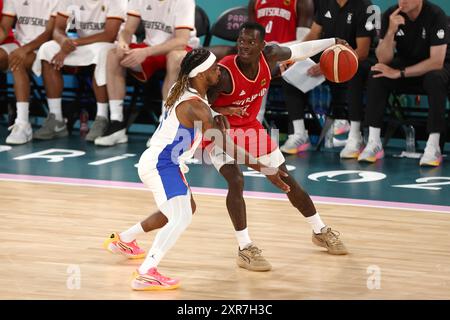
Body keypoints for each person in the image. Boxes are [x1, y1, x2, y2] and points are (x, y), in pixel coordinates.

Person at [104, 23, 348, 275]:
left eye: (250, 42)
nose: (243, 46)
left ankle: (320, 230)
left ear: (262, 46)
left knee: (284, 177)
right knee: (235, 180)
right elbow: (203, 115)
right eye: (240, 41)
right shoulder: (222, 77)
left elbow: (298, 50)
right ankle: (244, 248)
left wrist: (332, 42)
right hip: (219, 130)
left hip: (247, 126)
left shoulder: (268, 57)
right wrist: (260, 164)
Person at [104, 48, 290, 290]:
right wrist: (266, 169)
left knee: (183, 208)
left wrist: (219, 112)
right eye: (214, 69)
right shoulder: (196, 106)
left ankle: (124, 240)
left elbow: (199, 113)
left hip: (164, 162)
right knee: (181, 216)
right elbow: (228, 147)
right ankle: (147, 272)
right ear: (201, 74)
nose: (219, 71)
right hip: (163, 165)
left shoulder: (184, 89)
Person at [94, 0, 200, 147]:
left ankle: (166, 126)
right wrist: (122, 42)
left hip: (180, 49)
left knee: (176, 57)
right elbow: (127, 30)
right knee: (113, 55)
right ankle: (116, 123)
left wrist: (146, 52)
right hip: (150, 48)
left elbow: (181, 41)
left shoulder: (184, 2)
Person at [359, 0, 449, 167]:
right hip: (406, 63)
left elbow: (437, 61)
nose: (403, 1)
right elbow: (383, 58)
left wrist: (399, 73)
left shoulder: (436, 15)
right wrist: (391, 32)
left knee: (435, 78)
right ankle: (374, 141)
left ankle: (433, 145)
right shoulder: (392, 15)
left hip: (435, 67)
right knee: (377, 72)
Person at [279, 0, 375, 155]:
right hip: (327, 55)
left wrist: (328, 66)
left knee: (356, 74)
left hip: (354, 59)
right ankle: (299, 134)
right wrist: (294, 56)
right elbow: (313, 34)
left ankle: (355, 136)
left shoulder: (365, 6)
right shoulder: (325, 3)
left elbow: (362, 51)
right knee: (289, 71)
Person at [32, 0, 126, 141]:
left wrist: (73, 43)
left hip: (111, 45)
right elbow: (57, 29)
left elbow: (109, 35)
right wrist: (64, 41)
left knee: (102, 54)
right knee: (47, 49)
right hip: (82, 44)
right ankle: (56, 118)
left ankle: (102, 117)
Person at [0, 0, 58, 144]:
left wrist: (24, 50)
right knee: (12, 56)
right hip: (20, 45)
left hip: (45, 47)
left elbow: (49, 33)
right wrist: (22, 49)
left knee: (17, 61)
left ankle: (23, 123)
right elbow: (4, 28)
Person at [248, 0, 316, 123]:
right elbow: (248, 36)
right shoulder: (256, 2)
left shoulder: (302, 2)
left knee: (261, 64)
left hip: (288, 54)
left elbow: (303, 41)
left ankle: (255, 123)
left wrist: (275, 49)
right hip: (261, 55)